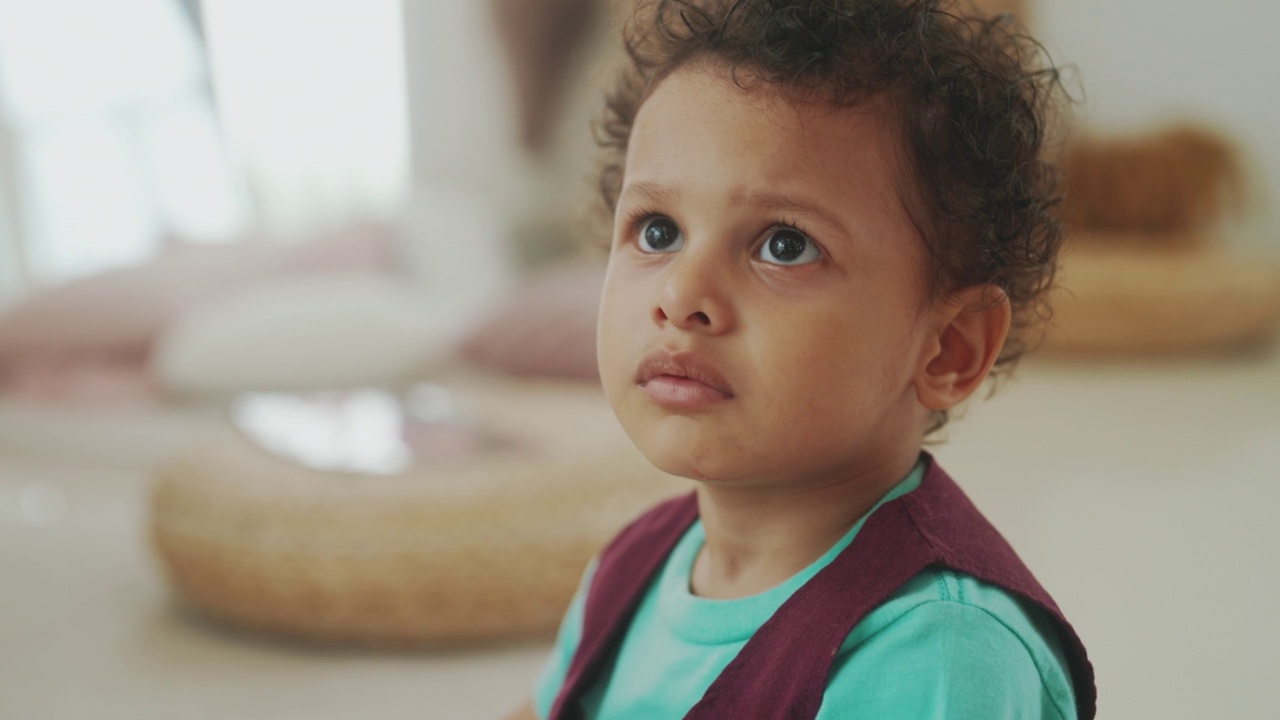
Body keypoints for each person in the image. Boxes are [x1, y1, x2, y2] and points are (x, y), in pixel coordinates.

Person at [506, 0, 1095, 717]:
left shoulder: (939, 654)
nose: (681, 294)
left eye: (784, 245)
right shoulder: (631, 566)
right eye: (658, 230)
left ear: (949, 347)